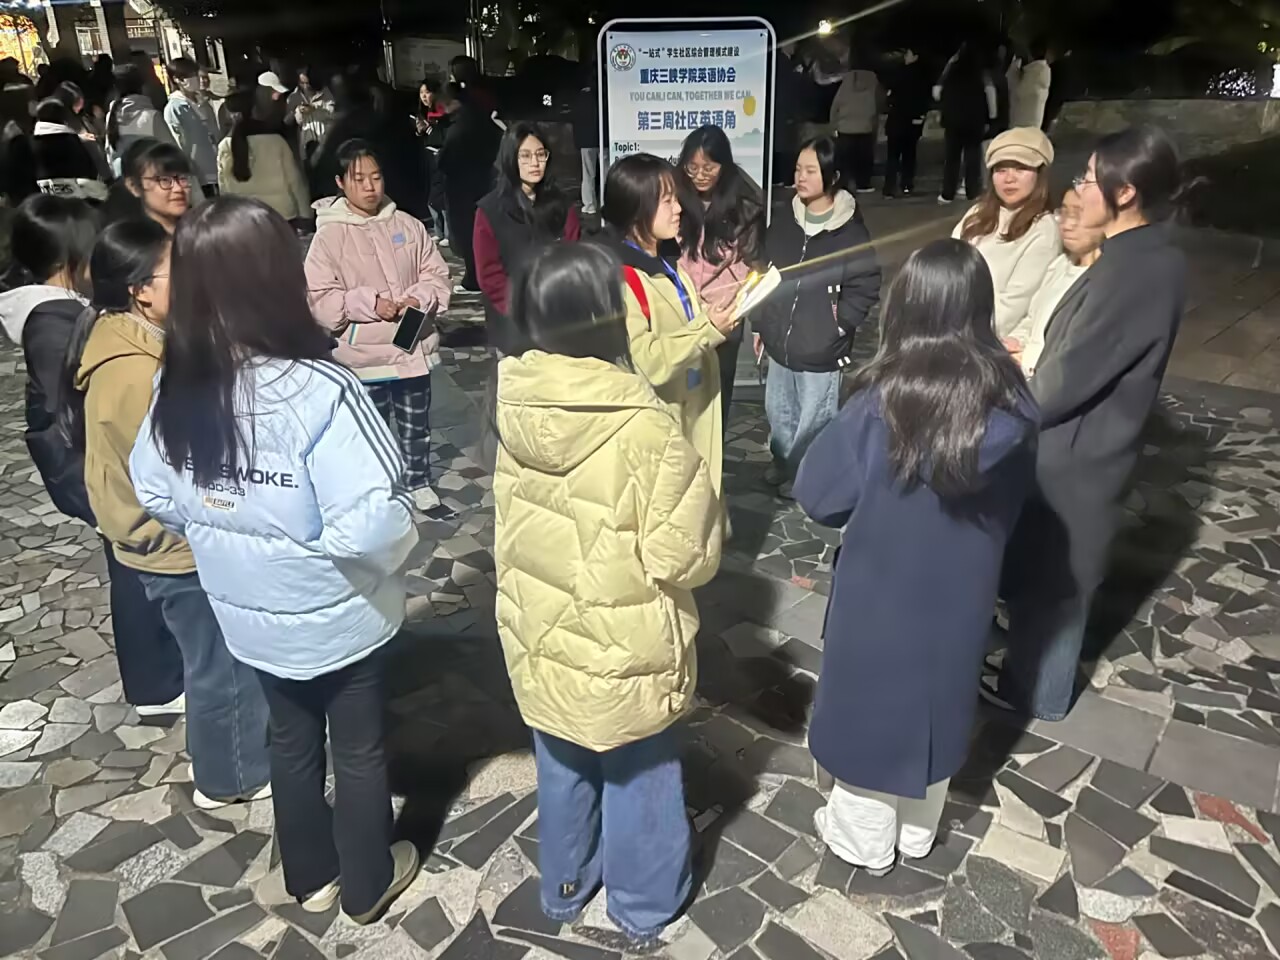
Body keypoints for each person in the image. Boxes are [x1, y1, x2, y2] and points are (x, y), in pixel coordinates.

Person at [130, 196, 420, 923]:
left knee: (289, 738)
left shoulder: (177, 382)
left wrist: (221, 530)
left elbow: (153, 489)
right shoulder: (322, 390)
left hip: (248, 614)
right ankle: (367, 884)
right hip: (341, 613)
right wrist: (362, 560)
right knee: (358, 749)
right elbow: (372, 524)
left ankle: (310, 878)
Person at [494, 241, 721, 942]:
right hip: (627, 647)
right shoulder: (643, 424)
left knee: (562, 760)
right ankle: (642, 904)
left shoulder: (511, 405)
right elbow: (685, 556)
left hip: (539, 636)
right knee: (639, 773)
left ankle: (566, 884)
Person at [796, 238, 1036, 875]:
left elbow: (818, 495)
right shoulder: (1015, 403)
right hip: (963, 594)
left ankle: (863, 840)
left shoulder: (881, 403)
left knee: (870, 708)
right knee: (940, 700)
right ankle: (917, 832)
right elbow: (1019, 508)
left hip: (879, 593)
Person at [985, 127, 1189, 721]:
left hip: (1079, 455)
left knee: (1059, 584)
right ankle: (1029, 677)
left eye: (1089, 178)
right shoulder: (1138, 257)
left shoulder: (1136, 271)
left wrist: (1000, 394)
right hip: (1081, 448)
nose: (1078, 187)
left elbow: (1064, 381)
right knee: (1049, 576)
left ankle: (1035, 695)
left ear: (1125, 193)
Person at [66, 217, 271, 802]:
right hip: (174, 544)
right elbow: (176, 472)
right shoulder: (135, 371)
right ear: (140, 289)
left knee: (214, 659)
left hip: (166, 537)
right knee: (220, 665)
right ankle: (231, 777)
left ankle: (235, 761)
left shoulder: (133, 342)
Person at [3, 196, 186, 716]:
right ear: (73, 259)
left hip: (98, 469)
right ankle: (155, 685)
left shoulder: (65, 313)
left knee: (134, 567)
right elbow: (76, 411)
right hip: (94, 469)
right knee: (134, 572)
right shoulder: (52, 322)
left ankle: (158, 680)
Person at [305, 139, 451, 511]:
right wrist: (369, 304)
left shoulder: (408, 225)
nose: (370, 187)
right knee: (369, 430)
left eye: (376, 177)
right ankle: (378, 490)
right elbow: (321, 300)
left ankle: (418, 481)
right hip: (363, 355)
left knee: (416, 424)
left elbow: (437, 275)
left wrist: (419, 298)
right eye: (359, 179)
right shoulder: (328, 237)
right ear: (340, 182)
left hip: (411, 344)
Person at [603, 153, 740, 499]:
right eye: (667, 201)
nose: (678, 208)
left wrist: (706, 315)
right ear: (637, 208)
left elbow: (680, 318)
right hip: (664, 429)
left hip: (693, 410)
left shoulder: (666, 260)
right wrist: (707, 331)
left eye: (676, 198)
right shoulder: (623, 278)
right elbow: (647, 360)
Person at [754, 136, 881, 497]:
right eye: (798, 169)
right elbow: (765, 273)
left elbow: (866, 283)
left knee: (815, 419)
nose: (801, 177)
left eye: (811, 170)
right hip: (781, 340)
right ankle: (783, 462)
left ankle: (805, 476)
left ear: (833, 175)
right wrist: (761, 322)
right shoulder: (785, 219)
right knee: (779, 412)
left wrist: (839, 323)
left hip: (822, 346)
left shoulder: (849, 230)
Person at [675, 125, 766, 429]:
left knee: (717, 394)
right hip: (681, 311)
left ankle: (715, 454)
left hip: (725, 315)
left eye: (709, 168)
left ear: (724, 166)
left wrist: (755, 320)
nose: (700, 175)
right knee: (680, 394)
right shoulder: (673, 195)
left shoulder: (746, 203)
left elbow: (755, 263)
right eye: (692, 167)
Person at [475, 122, 580, 357]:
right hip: (512, 323)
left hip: (558, 318)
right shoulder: (490, 210)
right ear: (510, 159)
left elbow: (575, 257)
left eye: (540, 154)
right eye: (525, 156)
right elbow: (489, 274)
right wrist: (519, 308)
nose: (535, 163)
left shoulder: (562, 206)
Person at [952, 128, 1060, 341]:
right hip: (950, 321)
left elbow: (1012, 307)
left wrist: (956, 332)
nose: (1009, 178)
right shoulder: (976, 214)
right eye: (1000, 170)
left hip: (984, 337)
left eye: (1021, 168)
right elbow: (948, 267)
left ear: (1039, 174)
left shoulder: (1043, 230)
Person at [1009, 188, 1104, 377]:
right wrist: (1014, 341)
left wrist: (1027, 359)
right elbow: (1032, 319)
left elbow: (1080, 353)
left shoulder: (1103, 280)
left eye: (1078, 214)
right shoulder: (1060, 264)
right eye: (1064, 213)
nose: (1067, 224)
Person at [436, 83, 501, 293]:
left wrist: (439, 159)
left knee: (466, 234)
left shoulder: (460, 126)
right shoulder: (481, 118)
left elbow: (446, 161)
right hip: (483, 181)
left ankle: (473, 278)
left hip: (462, 187)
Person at [217, 90, 311, 224]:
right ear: (254, 110)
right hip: (280, 215)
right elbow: (295, 181)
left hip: (245, 218)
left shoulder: (225, 146)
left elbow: (224, 189)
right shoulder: (276, 141)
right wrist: (306, 215)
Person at [936, 43, 997, 204]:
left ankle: (947, 193)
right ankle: (972, 191)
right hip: (974, 120)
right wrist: (992, 117)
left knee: (952, 158)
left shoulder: (951, 72)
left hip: (953, 120)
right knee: (973, 157)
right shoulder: (981, 73)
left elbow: (936, 92)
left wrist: (949, 64)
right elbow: (990, 94)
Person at [103, 138, 195, 232]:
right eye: (164, 180)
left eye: (182, 178)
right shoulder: (126, 239)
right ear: (133, 187)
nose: (178, 188)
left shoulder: (200, 229)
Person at [31, 98, 109, 201]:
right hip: (77, 196)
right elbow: (92, 171)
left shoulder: (31, 142)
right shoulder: (73, 141)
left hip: (45, 196)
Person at [163, 58, 219, 198]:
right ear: (178, 80)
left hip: (217, 165)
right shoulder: (174, 108)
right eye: (190, 75)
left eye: (195, 74)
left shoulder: (204, 102)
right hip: (197, 172)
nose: (196, 79)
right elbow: (177, 142)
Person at [105, 64, 177, 173]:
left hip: (123, 177)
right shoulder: (151, 116)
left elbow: (110, 153)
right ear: (142, 86)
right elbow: (173, 152)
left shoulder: (112, 115)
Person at [882, 49, 932, 198]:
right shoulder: (922, 76)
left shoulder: (896, 74)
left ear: (915, 57)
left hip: (896, 120)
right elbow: (924, 99)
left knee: (893, 156)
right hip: (912, 122)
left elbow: (889, 98)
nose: (905, 56)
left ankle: (889, 188)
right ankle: (906, 185)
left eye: (908, 54)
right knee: (909, 155)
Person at [830, 60, 882, 194]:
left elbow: (835, 105)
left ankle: (843, 185)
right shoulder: (873, 82)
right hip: (865, 127)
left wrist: (834, 124)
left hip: (845, 127)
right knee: (864, 158)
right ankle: (863, 184)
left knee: (845, 159)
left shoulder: (846, 83)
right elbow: (878, 104)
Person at [413, 78, 449, 245]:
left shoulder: (444, 113)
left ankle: (447, 234)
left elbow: (442, 135)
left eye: (427, 92)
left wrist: (430, 128)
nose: (424, 96)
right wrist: (420, 131)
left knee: (440, 194)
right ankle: (438, 230)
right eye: (421, 93)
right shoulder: (423, 113)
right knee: (432, 194)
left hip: (440, 155)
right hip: (428, 156)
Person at [287, 66, 335, 165]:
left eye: (307, 83)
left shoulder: (326, 93)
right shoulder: (293, 97)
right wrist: (298, 111)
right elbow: (290, 121)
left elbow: (332, 113)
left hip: (324, 141)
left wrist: (315, 108)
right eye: (302, 83)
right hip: (306, 143)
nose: (305, 86)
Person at [572, 66, 600, 216]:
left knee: (588, 174)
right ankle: (606, 203)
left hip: (586, 141)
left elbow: (576, 120)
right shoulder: (604, 93)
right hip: (603, 139)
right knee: (606, 173)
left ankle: (589, 205)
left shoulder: (580, 97)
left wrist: (578, 142)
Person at [1008, 40, 1053, 130]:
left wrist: (1015, 65)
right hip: (1034, 126)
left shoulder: (1033, 76)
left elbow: (1016, 90)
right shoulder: (1043, 72)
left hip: (1021, 125)